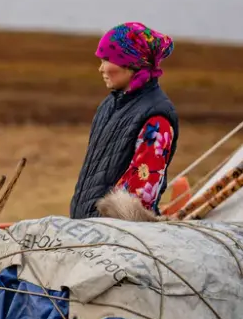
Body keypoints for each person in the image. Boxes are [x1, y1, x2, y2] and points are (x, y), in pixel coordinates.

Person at [70, 22, 178, 219]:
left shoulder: (156, 119)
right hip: (89, 230)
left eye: (107, 60)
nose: (101, 68)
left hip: (117, 240)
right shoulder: (109, 105)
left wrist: (103, 231)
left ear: (131, 64)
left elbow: (139, 200)